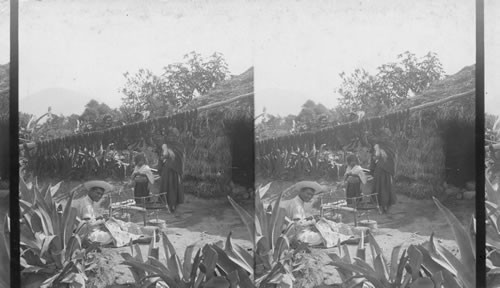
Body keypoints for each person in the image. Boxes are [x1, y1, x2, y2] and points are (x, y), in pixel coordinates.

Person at [370, 142, 396, 213]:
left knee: (382, 189)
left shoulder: (378, 154)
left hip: (382, 175)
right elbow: (392, 165)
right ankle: (384, 205)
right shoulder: (385, 154)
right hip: (383, 175)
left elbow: (372, 166)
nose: (374, 147)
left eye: (375, 146)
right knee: (384, 189)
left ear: (378, 146)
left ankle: (383, 205)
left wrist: (372, 172)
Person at [158, 142, 184, 213]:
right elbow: (162, 159)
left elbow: (163, 158)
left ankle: (172, 205)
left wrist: (163, 158)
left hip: (171, 173)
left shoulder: (172, 151)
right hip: (169, 173)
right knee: (170, 189)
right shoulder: (176, 151)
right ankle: (171, 205)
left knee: (171, 189)